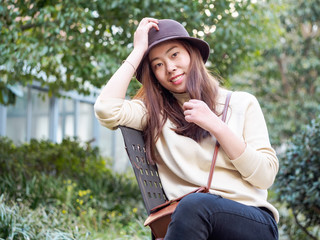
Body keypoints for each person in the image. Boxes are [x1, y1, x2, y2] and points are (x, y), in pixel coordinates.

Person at [94, 18, 279, 240]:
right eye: (158, 65)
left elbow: (265, 177)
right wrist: (138, 51)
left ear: (192, 54)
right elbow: (106, 109)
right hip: (191, 221)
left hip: (251, 222)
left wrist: (216, 125)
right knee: (192, 208)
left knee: (195, 206)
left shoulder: (242, 103)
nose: (170, 68)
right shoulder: (155, 114)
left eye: (174, 55)